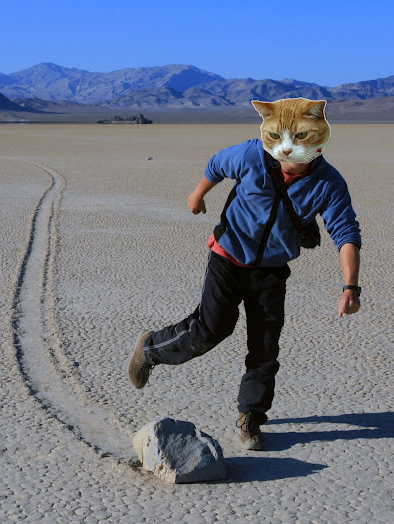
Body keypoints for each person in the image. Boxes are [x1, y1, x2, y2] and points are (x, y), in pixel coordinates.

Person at [127, 98, 361, 450]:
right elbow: (218, 164)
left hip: (270, 271)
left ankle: (250, 416)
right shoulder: (253, 155)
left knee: (265, 348)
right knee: (211, 328)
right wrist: (197, 194)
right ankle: (151, 348)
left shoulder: (328, 183)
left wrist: (350, 287)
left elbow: (346, 233)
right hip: (228, 256)